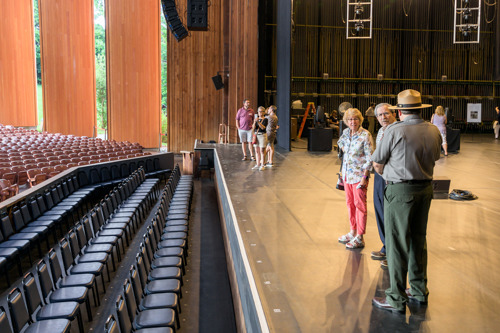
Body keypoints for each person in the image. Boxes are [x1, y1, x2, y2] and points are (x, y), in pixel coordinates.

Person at [371, 89, 442, 314]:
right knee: (418, 241)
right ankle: (419, 291)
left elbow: (378, 163)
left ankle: (396, 298)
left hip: (400, 192)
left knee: (397, 244)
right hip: (426, 190)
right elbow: (436, 157)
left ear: (399, 111)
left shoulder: (393, 130)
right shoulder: (433, 130)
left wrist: (390, 177)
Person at [337, 108, 374, 249]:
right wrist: (346, 150)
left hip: (359, 176)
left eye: (356, 119)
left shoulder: (365, 135)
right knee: (350, 204)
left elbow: (370, 157)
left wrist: (365, 177)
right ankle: (352, 231)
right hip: (347, 175)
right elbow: (340, 143)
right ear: (346, 121)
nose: (353, 122)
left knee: (360, 206)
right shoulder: (346, 133)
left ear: (360, 120)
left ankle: (360, 236)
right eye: (350, 119)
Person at [370, 103, 397, 269]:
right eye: (379, 115)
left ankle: (394, 253)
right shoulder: (381, 131)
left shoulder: (397, 130)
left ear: (393, 113)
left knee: (391, 216)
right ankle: (386, 247)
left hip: (391, 177)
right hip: (379, 176)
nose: (383, 117)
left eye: (386, 114)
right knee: (380, 211)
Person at [252, 107, 268, 171]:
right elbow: (253, 128)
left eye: (261, 111)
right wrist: (254, 122)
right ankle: (257, 164)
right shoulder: (256, 119)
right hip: (256, 135)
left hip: (262, 135)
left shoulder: (265, 119)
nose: (260, 113)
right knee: (256, 150)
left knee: (262, 150)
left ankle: (262, 165)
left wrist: (258, 122)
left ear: (264, 112)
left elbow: (263, 127)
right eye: (259, 111)